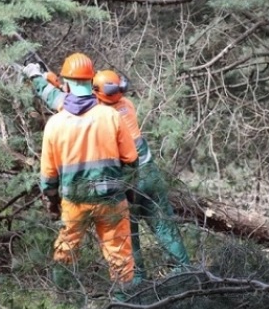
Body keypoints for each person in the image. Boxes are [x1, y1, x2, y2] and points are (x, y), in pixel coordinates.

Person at [23, 63, 191, 284]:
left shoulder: (101, 112)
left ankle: (137, 281)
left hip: (123, 179)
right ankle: (186, 270)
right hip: (148, 173)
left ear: (98, 92)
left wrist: (38, 77)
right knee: (162, 223)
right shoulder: (126, 105)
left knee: (125, 237)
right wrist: (62, 83)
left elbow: (58, 99)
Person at [35, 53, 139, 299]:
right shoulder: (111, 115)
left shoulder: (55, 124)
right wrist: (128, 192)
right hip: (111, 199)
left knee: (65, 250)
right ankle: (127, 303)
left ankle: (63, 300)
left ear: (67, 83)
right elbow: (132, 161)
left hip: (74, 202)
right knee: (120, 256)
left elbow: (48, 177)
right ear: (92, 80)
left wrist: (52, 203)